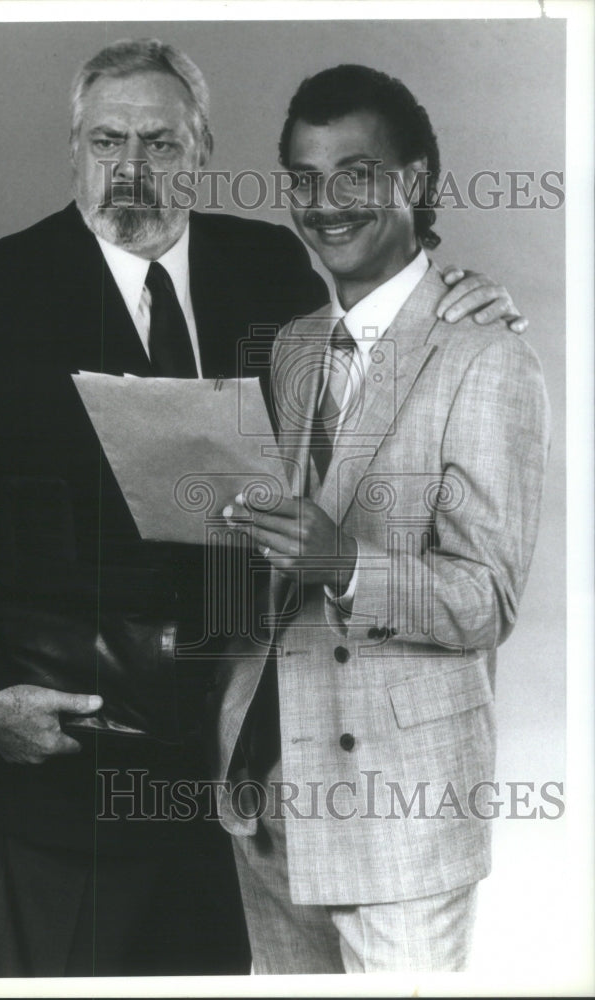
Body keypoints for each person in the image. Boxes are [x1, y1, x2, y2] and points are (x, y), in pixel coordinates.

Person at [0, 40, 528, 978]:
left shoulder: (273, 274)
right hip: (62, 759)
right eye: (106, 141)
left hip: (235, 775)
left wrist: (464, 293)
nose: (131, 170)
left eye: (160, 144)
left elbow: (386, 327)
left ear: (203, 149)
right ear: (73, 148)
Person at [218, 64, 550, 973]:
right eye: (304, 179)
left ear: (417, 179)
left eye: (357, 174)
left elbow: (485, 602)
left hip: (401, 805)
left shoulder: (487, 356)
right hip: (269, 787)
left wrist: (349, 562)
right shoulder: (288, 348)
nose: (327, 204)